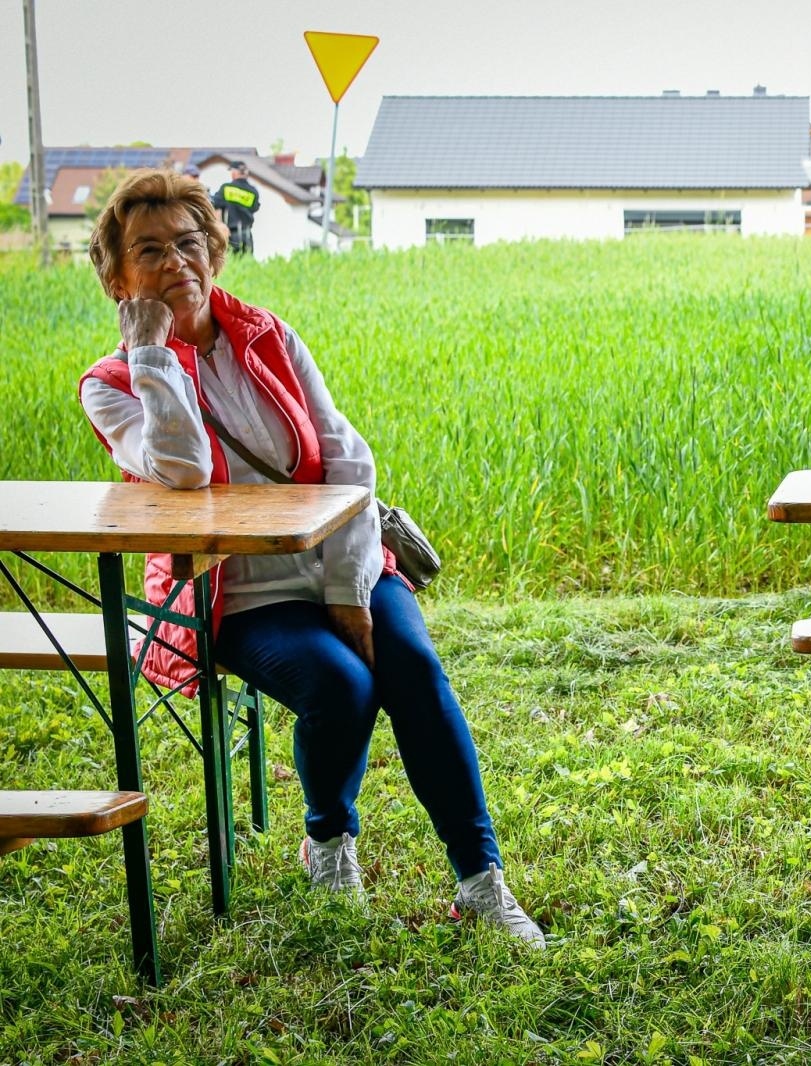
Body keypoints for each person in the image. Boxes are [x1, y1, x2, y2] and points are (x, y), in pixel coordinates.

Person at [78, 169, 543, 943]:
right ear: (119, 276)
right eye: (150, 251)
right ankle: (328, 840)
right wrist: (154, 354)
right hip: (234, 591)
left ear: (215, 253)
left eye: (189, 244)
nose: (176, 264)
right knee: (341, 686)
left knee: (414, 671)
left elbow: (346, 461)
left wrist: (347, 589)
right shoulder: (111, 385)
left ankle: (481, 880)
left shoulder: (268, 336)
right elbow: (185, 467)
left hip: (340, 558)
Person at [211, 160, 260, 256]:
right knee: (246, 264)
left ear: (234, 173)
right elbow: (255, 208)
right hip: (247, 235)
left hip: (231, 235)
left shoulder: (226, 189)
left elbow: (214, 204)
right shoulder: (253, 192)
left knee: (231, 265)